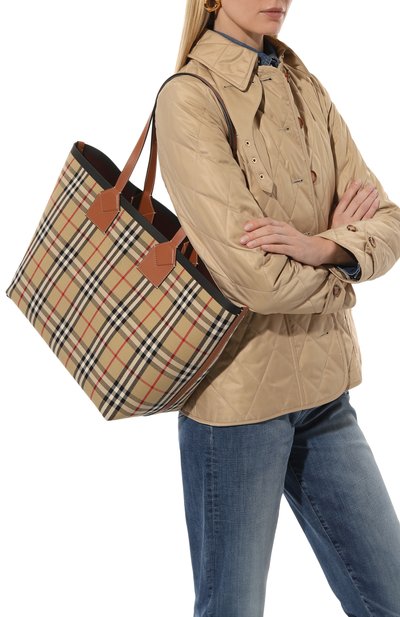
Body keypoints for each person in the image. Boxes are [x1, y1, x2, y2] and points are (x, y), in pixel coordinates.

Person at [155, 1, 400, 615]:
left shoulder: (303, 85)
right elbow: (256, 279)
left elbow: (389, 220)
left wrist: (324, 247)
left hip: (325, 393)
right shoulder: (189, 99)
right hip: (239, 407)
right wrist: (345, 267)